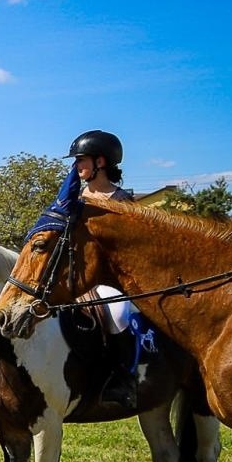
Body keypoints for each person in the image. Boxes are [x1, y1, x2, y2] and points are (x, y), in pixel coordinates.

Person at [68, 129, 140, 408]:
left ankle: (123, 379)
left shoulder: (123, 202)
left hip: (110, 279)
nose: (77, 167)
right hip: (76, 275)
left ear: (101, 162)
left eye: (82, 160)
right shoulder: (74, 197)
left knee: (118, 312)